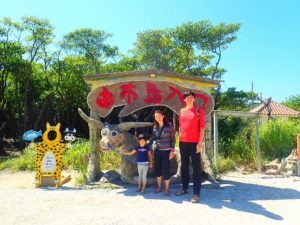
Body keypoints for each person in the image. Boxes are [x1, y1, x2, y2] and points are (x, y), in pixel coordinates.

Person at [176, 90, 205, 203]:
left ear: (194, 99)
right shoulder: (182, 111)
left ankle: (196, 193)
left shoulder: (199, 110)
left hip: (194, 143)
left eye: (191, 97)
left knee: (197, 167)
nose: (189, 99)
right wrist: (179, 139)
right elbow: (180, 127)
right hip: (183, 142)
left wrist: (199, 143)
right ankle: (184, 188)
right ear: (184, 99)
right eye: (187, 97)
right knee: (184, 166)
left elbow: (202, 128)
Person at [152, 109, 175, 196]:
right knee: (158, 169)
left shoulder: (169, 126)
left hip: (166, 152)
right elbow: (154, 138)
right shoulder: (155, 127)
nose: (157, 117)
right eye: (155, 116)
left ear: (163, 116)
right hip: (157, 151)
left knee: (166, 170)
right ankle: (159, 187)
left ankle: (166, 188)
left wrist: (172, 151)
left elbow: (173, 139)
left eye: (158, 115)